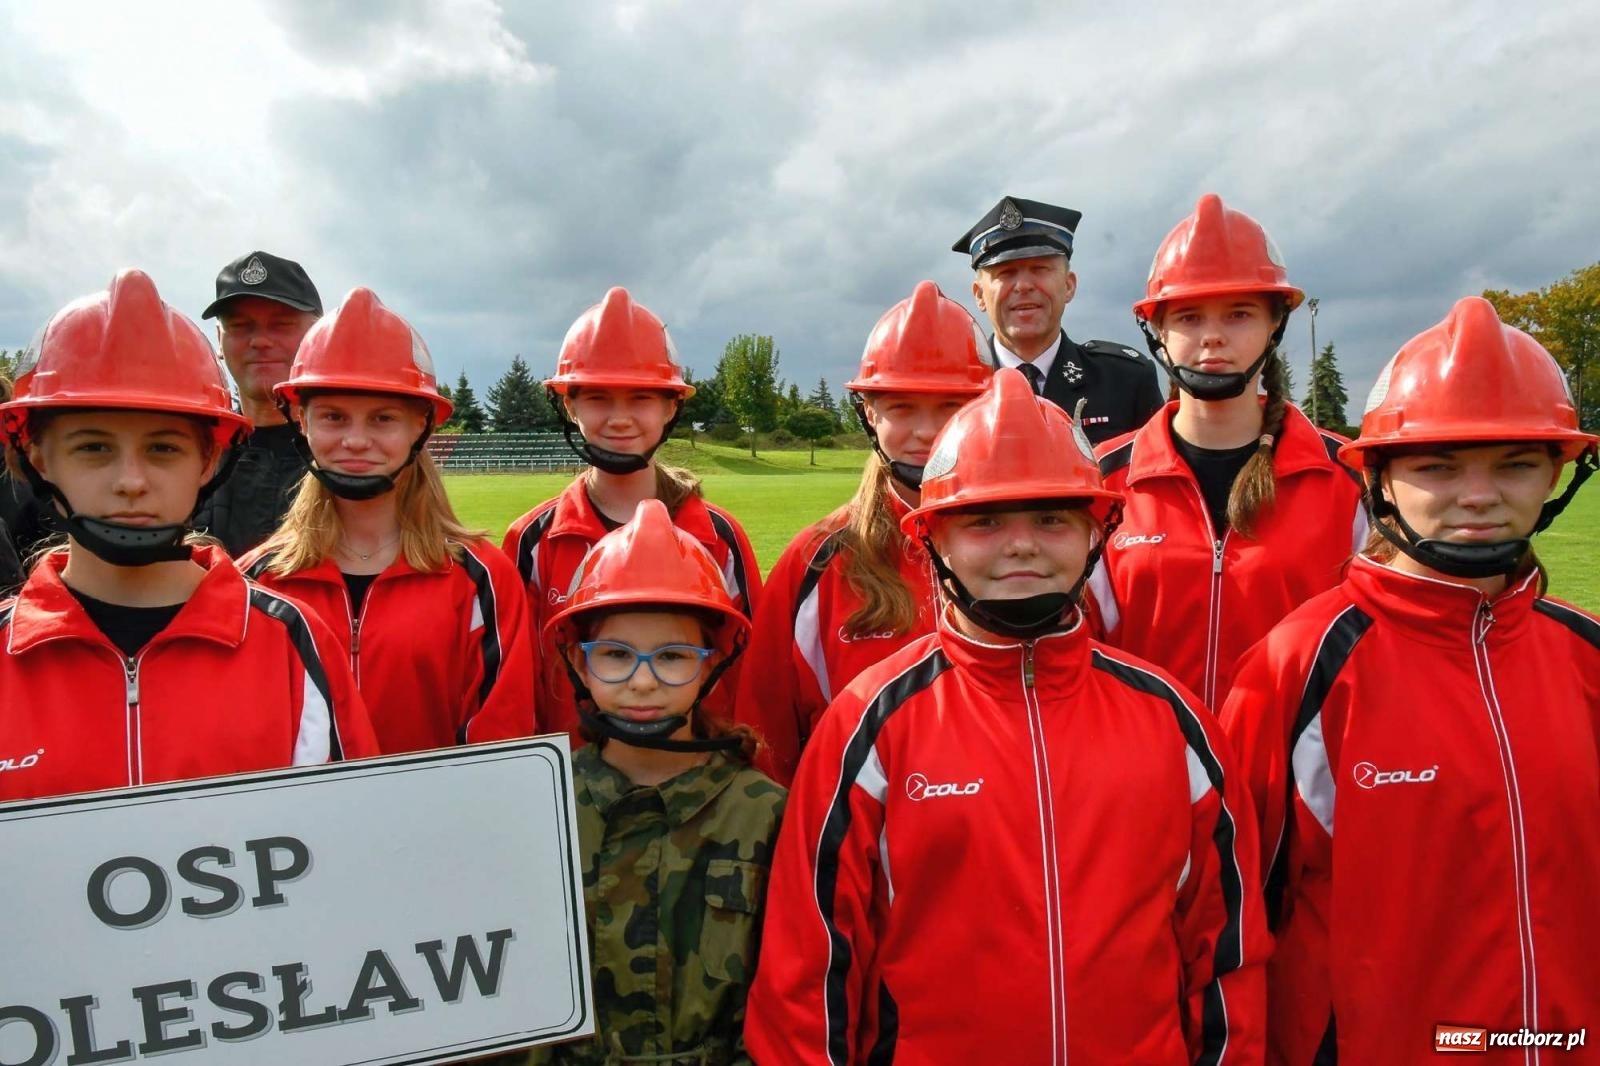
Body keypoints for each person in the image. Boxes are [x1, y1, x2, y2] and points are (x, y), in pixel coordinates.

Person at [746, 369, 1268, 1065]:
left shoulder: (1173, 722)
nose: (1020, 544)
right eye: (985, 519)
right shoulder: (868, 726)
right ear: (932, 539)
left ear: (1097, 531)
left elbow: (1227, 956)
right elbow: (807, 977)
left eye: (1051, 517)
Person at [1220, 297, 1600, 1065]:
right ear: (1381, 479)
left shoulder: (1586, 653)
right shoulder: (1299, 662)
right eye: (1438, 465)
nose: (1479, 495)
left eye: (1517, 464)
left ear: (1559, 473)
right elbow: (1234, 917)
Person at [0, 269, 378, 803]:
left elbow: (355, 836)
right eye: (93, 448)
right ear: (39, 458)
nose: (131, 481)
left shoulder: (293, 643)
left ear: (209, 460)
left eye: (163, 449)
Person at [532, 498, 784, 1065]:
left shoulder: (764, 814)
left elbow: (788, 995)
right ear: (575, 660)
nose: (642, 682)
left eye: (672, 657)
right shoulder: (540, 808)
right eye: (615, 655)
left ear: (713, 661)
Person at [1088, 193, 1365, 710]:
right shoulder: (1100, 478)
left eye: (1238, 314)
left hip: (1293, 774)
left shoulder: (1348, 477)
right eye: (1189, 318)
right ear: (1158, 332)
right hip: (1153, 772)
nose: (1213, 338)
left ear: (1275, 324)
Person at [240, 287, 534, 754]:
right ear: (301, 421)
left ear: (422, 425)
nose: (356, 441)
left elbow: (502, 745)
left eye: (382, 419)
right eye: (334, 417)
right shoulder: (255, 582)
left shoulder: (481, 579)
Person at [735, 280, 991, 784]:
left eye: (950, 407)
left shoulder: (1027, 552)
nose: (926, 431)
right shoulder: (816, 559)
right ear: (869, 415)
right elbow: (765, 735)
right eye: (901, 407)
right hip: (853, 847)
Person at [502, 287, 761, 738]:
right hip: (575, 789)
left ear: (671, 407)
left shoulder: (719, 536)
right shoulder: (532, 540)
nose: (619, 418)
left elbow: (750, 670)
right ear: (569, 405)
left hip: (699, 782)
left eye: (641, 398)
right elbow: (516, 685)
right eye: (598, 398)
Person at [953, 194, 1163, 445]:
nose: (1023, 286)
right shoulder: (955, 389)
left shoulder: (1125, 381)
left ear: (1068, 286)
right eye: (1005, 273)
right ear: (979, 295)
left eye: (1040, 269)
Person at [194, 250, 322, 556]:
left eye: (282, 324)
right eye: (240, 326)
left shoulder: (347, 458)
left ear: (318, 335)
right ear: (219, 340)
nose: (261, 340)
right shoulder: (192, 454)